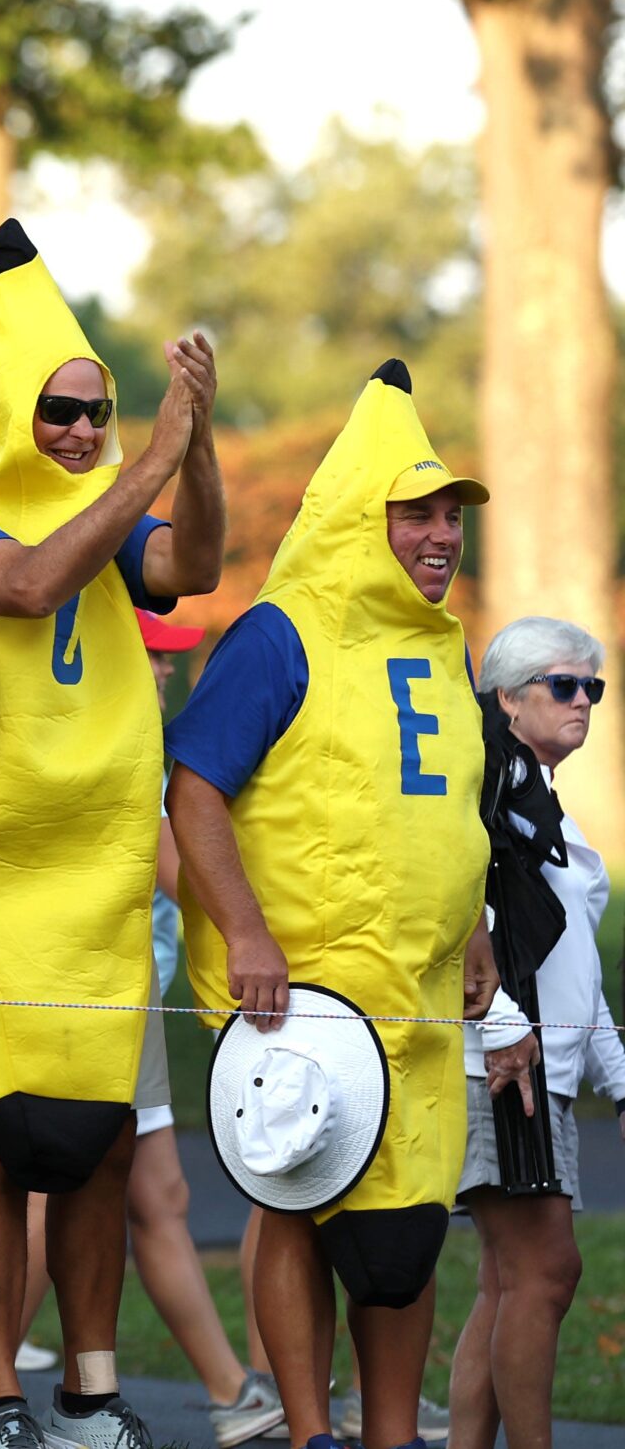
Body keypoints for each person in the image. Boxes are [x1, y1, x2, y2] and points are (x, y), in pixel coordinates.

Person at [0, 219, 223, 1449]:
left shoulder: (115, 499)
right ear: (13, 404)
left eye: (99, 411)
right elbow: (24, 585)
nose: (82, 432)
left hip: (98, 885)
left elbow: (193, 564)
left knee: (102, 1141)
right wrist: (150, 458)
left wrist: (198, 444)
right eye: (60, 411)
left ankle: (86, 1388)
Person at [166, 360, 495, 1449]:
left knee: (403, 1244)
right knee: (302, 1212)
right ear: (361, 519)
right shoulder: (279, 635)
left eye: (449, 515)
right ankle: (310, 1432)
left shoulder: (443, 650)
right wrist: (247, 932)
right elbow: (194, 787)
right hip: (297, 1001)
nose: (440, 536)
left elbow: (447, 808)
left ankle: (392, 1437)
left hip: (420, 996)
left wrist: (477, 924)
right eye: (415, 515)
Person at [450, 618, 625, 1449]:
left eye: (592, 685)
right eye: (564, 683)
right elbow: (461, 912)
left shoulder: (539, 801)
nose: (584, 699)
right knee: (547, 1272)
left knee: (509, 1279)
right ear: (509, 698)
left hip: (541, 1069)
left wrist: (618, 1076)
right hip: (499, 1063)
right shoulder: (487, 788)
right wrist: (504, 1025)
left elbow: (575, 965)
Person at [127, 611, 284, 1448]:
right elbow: (178, 871)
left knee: (157, 1196)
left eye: (169, 658)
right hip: (103, 995)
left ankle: (242, 1392)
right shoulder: (143, 759)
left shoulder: (155, 748)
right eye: (153, 655)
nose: (165, 671)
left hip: (134, 997)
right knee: (59, 1191)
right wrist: (258, 903)